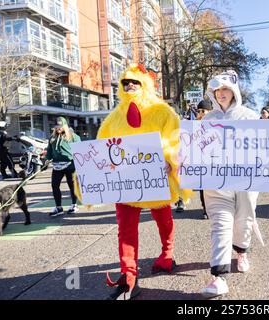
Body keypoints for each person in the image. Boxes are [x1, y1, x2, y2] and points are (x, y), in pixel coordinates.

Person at [95, 64, 192, 299]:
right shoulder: (113, 117)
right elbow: (101, 145)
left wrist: (170, 159)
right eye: (125, 82)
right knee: (126, 230)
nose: (130, 86)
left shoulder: (162, 111)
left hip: (156, 178)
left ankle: (166, 255)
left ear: (144, 84)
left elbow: (174, 137)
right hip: (126, 183)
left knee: (164, 220)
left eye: (135, 82)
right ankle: (129, 276)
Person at [199, 70, 265, 297]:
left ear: (234, 91)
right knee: (221, 223)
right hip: (216, 182)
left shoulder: (250, 116)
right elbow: (197, 148)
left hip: (246, 181)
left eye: (225, 89)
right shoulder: (207, 120)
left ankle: (242, 251)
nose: (221, 94)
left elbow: (265, 145)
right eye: (217, 90)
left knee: (244, 219)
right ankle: (218, 277)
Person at [45, 117, 81, 216]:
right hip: (57, 165)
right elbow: (49, 151)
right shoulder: (52, 138)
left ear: (65, 126)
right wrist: (46, 159)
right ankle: (58, 207)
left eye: (60, 126)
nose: (58, 128)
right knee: (54, 185)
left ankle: (74, 205)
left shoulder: (73, 137)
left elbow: (80, 151)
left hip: (70, 164)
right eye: (56, 126)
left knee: (72, 185)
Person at [196, 99, 212, 220]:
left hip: (214, 160)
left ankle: (213, 207)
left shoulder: (216, 123)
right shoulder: (194, 125)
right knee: (202, 187)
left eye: (203, 111)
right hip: (200, 160)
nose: (201, 113)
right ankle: (205, 208)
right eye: (199, 111)